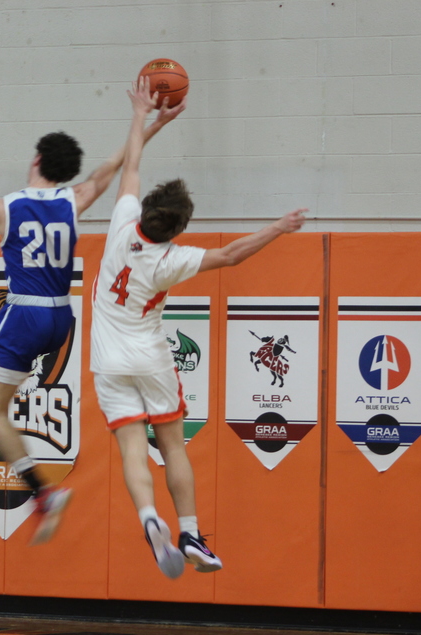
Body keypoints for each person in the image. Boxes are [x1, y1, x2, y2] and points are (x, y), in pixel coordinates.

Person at [90, 77, 307, 579]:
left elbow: (132, 164)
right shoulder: (173, 259)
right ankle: (189, 531)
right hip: (149, 357)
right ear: (179, 229)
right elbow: (230, 255)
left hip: (107, 361)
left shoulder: (122, 222)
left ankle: (148, 517)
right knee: (171, 445)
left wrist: (147, 116)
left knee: (130, 449)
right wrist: (278, 227)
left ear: (144, 212)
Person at [0, 108, 162, 545]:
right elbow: (115, 164)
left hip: (24, 312)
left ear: (36, 158)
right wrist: (150, 123)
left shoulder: (2, 208)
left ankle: (42, 492)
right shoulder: (76, 198)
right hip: (61, 317)